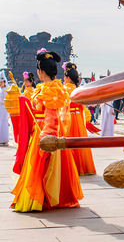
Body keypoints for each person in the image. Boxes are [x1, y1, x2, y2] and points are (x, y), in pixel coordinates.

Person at [11, 50, 83, 212]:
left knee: (42, 166)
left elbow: (51, 117)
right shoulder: (50, 88)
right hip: (43, 130)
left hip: (45, 132)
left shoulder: (50, 90)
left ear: (41, 71)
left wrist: (47, 137)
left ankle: (41, 197)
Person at [63, 63, 96, 176]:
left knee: (68, 140)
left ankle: (70, 166)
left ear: (67, 77)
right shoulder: (79, 89)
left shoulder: (65, 89)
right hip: (78, 117)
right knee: (80, 140)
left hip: (68, 117)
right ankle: (83, 166)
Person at [0, 71, 10, 146]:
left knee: (3, 122)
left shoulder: (6, 91)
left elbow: (6, 100)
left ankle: (4, 139)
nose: (0, 84)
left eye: (1, 82)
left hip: (4, 108)